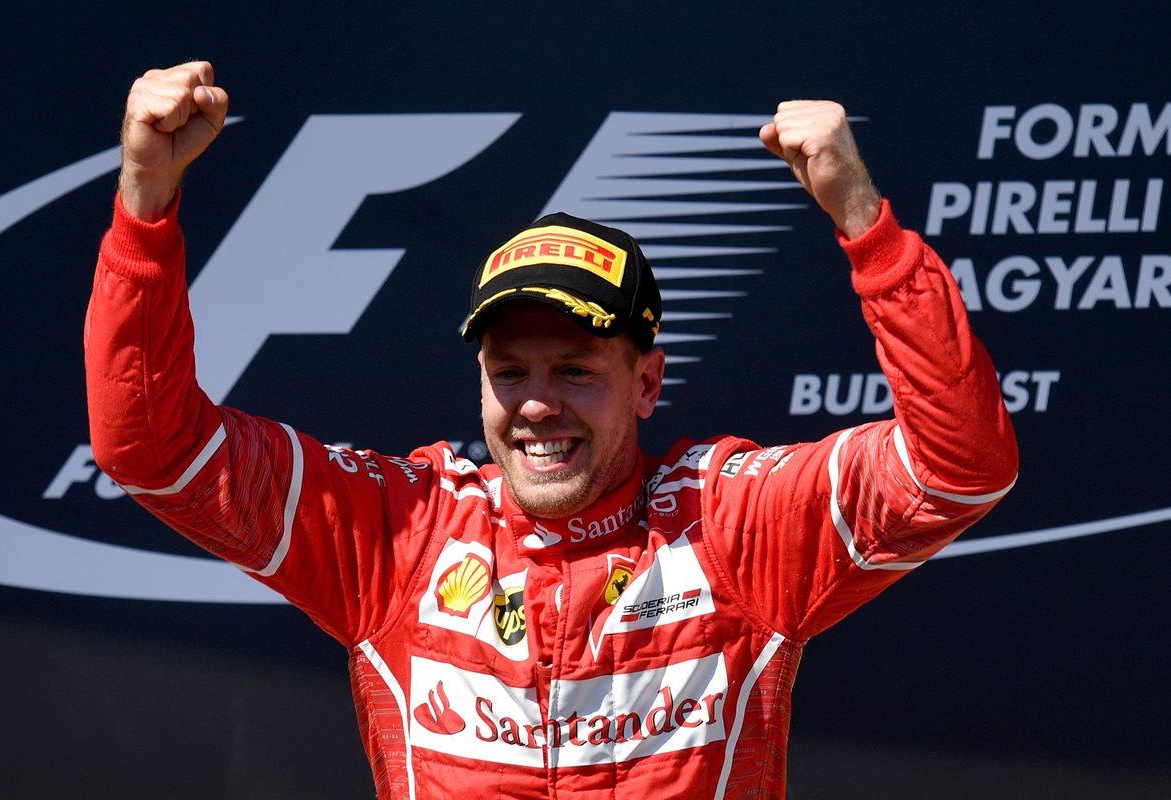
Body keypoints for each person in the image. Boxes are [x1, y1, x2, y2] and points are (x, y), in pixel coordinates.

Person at [86, 61, 1018, 799]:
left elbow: (958, 468)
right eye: (510, 372)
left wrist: (866, 225)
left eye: (575, 371)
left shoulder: (732, 526)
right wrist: (145, 203)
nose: (536, 405)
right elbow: (155, 450)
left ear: (647, 381)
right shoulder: (401, 532)